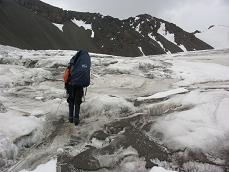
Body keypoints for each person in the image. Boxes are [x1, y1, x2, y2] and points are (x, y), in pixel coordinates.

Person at [64, 50, 91, 125]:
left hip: (71, 84)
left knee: (71, 100)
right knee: (77, 102)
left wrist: (66, 83)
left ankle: (70, 118)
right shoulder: (83, 62)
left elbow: (66, 74)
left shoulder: (73, 61)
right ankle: (76, 119)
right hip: (80, 85)